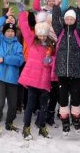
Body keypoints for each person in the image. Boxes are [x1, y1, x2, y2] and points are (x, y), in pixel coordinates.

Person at [17, 10, 55, 139]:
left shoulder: (51, 46)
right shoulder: (32, 42)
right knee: (30, 105)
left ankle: (42, 127)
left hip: (44, 81)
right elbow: (24, 27)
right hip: (32, 80)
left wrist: (50, 61)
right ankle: (26, 128)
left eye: (45, 35)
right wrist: (22, 13)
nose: (43, 37)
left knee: (44, 107)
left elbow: (54, 59)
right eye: (40, 34)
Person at [0, 8, 25, 136]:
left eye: (12, 31)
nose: (9, 33)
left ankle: (9, 122)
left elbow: (19, 60)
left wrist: (5, 59)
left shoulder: (18, 45)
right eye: (7, 31)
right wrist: (4, 17)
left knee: (13, 103)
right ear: (4, 32)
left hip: (12, 78)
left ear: (15, 33)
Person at [51, 4, 80, 135]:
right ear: (64, 19)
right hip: (62, 72)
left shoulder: (78, 32)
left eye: (72, 19)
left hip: (76, 72)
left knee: (76, 98)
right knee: (63, 99)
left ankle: (76, 121)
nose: (70, 21)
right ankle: (65, 123)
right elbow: (55, 21)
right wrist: (56, 6)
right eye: (68, 19)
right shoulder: (60, 32)